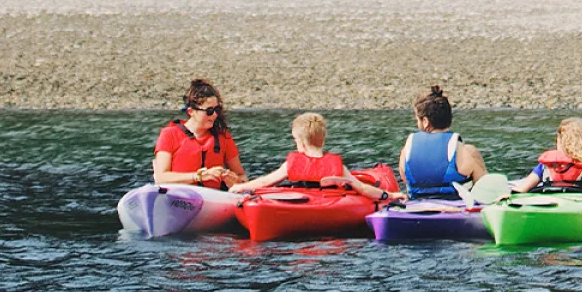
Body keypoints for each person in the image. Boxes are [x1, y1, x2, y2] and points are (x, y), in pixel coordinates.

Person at [230, 113, 404, 201]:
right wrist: (390, 195)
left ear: (301, 142)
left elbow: (264, 182)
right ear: (322, 140)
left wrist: (240, 188)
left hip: (299, 202)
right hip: (328, 201)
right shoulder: (337, 166)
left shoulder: (292, 164)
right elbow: (364, 189)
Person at [152, 79, 248, 189]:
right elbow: (161, 177)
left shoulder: (223, 137)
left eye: (217, 109)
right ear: (191, 112)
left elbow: (242, 176)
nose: (214, 115)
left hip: (212, 199)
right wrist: (198, 176)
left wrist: (236, 181)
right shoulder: (169, 134)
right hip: (177, 198)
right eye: (209, 111)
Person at [397, 86, 488, 199]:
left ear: (425, 122)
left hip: (417, 208)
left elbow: (406, 181)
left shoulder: (407, 150)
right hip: (457, 209)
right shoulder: (467, 152)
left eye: (417, 120)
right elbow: (485, 191)